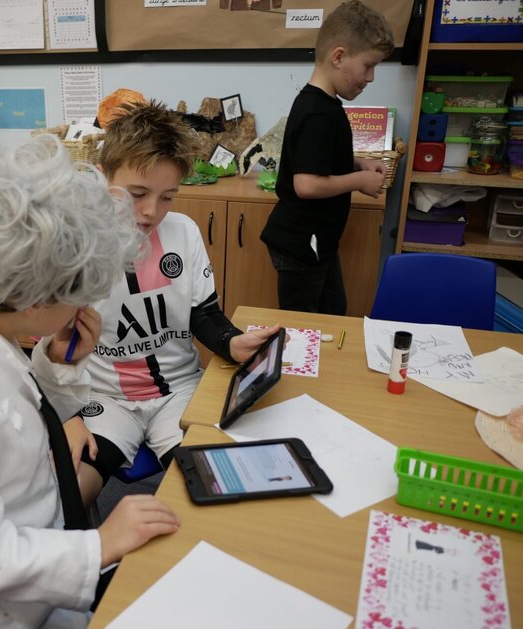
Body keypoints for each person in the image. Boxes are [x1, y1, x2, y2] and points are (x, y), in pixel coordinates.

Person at [0, 134, 180, 629]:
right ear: (34, 300)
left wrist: (59, 369)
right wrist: (99, 544)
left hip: (34, 572)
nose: (85, 306)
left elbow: (15, 409)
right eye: (80, 293)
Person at [63, 101, 281, 508]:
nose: (152, 212)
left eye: (168, 197)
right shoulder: (78, 245)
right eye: (137, 194)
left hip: (179, 391)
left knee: (219, 490)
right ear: (103, 177)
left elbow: (203, 313)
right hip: (105, 396)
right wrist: (68, 418)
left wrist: (232, 342)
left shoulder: (183, 232)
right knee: (70, 495)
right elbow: (54, 349)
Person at [260, 0, 394, 315]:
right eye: (368, 66)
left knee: (333, 313)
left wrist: (358, 164)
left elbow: (320, 160)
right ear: (338, 57)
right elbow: (306, 184)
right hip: (301, 245)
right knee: (305, 325)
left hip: (317, 244)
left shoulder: (325, 105)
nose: (371, 77)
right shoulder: (318, 112)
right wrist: (360, 180)